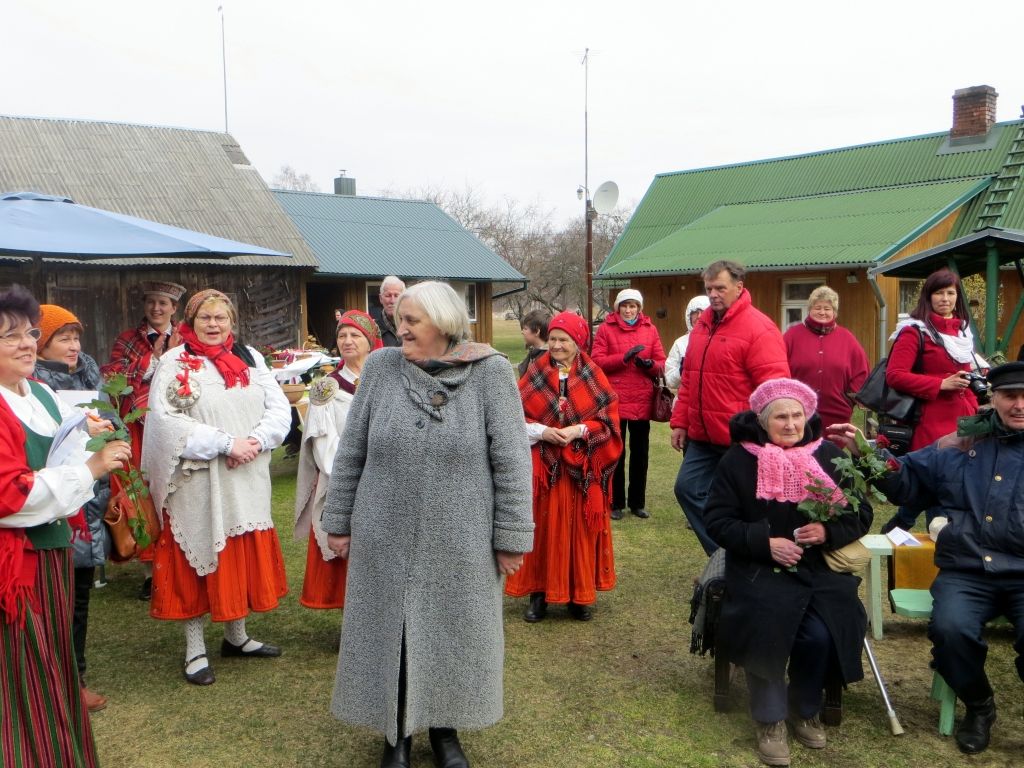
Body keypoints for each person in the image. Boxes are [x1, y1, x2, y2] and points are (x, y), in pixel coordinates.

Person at [321, 280, 533, 768]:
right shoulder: (381, 368)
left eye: (412, 320)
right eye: (399, 320)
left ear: (443, 322)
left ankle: (445, 731)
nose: (401, 329)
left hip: (461, 536)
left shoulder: (490, 372)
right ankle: (395, 733)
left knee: (453, 632)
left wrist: (511, 536)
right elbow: (351, 450)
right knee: (390, 633)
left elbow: (511, 462)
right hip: (383, 531)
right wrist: (340, 519)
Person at [829, 361, 1024, 755]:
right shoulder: (959, 444)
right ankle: (980, 706)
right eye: (1009, 395)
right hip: (967, 570)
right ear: (993, 399)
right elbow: (906, 480)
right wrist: (866, 453)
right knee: (950, 631)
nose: (1018, 404)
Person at [704, 379, 871, 767]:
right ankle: (770, 720)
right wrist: (765, 543)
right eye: (781, 417)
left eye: (797, 415)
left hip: (818, 569)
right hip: (760, 569)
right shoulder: (738, 460)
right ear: (763, 421)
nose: (791, 424)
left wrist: (828, 531)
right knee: (768, 625)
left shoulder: (829, 455)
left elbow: (861, 514)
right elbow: (717, 521)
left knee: (821, 632)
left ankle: (804, 708)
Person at [0, 284, 129, 768]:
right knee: (23, 680)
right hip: (14, 567)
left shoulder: (40, 394)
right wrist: (90, 469)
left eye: (30, 333)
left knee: (53, 670)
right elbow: (9, 497)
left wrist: (89, 442)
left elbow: (58, 456)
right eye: (10, 336)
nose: (26, 344)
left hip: (52, 555)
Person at [141, 289, 291, 686]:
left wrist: (255, 441)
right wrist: (226, 444)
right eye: (205, 318)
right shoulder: (175, 361)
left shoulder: (249, 357)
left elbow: (279, 408)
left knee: (236, 554)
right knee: (197, 556)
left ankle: (236, 637)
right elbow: (166, 423)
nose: (213, 324)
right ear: (191, 322)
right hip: (199, 480)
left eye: (220, 318)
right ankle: (195, 649)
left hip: (245, 476)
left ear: (231, 322)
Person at [506, 311, 621, 622]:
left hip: (581, 470)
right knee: (543, 528)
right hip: (545, 468)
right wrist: (542, 432)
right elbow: (512, 417)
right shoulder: (535, 372)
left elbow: (609, 423)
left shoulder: (593, 374)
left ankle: (577, 595)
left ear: (578, 342)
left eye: (564, 340)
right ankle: (538, 594)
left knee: (578, 529)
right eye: (553, 339)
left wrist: (579, 430)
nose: (556, 345)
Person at [671, 261, 790, 554]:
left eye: (720, 288)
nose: (713, 294)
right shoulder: (702, 326)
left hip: (740, 437)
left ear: (739, 287)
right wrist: (680, 422)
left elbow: (775, 390)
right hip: (702, 436)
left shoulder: (759, 328)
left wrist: (773, 435)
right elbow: (689, 379)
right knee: (687, 489)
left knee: (746, 504)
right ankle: (725, 556)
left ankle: (744, 558)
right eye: (709, 289)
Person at [33, 304, 111, 713]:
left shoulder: (90, 376)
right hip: (52, 504)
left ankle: (75, 679)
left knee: (79, 597)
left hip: (89, 501)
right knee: (49, 599)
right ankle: (46, 682)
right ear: (41, 343)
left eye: (76, 337)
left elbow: (111, 425)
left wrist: (109, 430)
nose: (73, 345)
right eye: (63, 338)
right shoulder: (31, 388)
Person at [101, 279, 186, 599]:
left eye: (163, 303)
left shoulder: (186, 338)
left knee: (174, 489)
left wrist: (173, 356)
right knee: (142, 494)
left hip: (176, 424)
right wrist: (154, 358)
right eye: (151, 302)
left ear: (174, 308)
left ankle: (180, 561)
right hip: (138, 426)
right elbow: (112, 377)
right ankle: (151, 572)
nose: (156, 308)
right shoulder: (128, 340)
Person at [880, 268, 981, 533]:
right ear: (928, 296)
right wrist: (940, 384)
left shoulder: (962, 332)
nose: (945, 299)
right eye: (939, 293)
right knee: (940, 484)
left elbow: (965, 374)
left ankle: (898, 528)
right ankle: (934, 540)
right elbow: (895, 375)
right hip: (931, 421)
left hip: (965, 421)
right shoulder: (915, 331)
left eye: (950, 293)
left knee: (940, 486)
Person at [294, 310, 382, 611]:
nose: (347, 341)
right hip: (342, 481)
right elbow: (323, 443)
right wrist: (354, 473)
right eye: (342, 335)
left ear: (370, 341)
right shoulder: (326, 388)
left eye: (355, 335)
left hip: (385, 479)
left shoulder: (386, 382)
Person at [591, 288, 666, 520]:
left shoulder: (650, 329)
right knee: (616, 453)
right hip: (615, 399)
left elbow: (662, 362)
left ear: (639, 308)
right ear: (618, 308)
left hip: (641, 400)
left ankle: (637, 503)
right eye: (624, 305)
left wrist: (650, 365)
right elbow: (596, 361)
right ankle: (616, 503)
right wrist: (622, 359)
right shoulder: (606, 329)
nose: (628, 310)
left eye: (632, 306)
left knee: (640, 454)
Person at [783, 286, 869, 428]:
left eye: (827, 309)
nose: (822, 312)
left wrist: (850, 399)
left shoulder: (847, 338)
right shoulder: (791, 336)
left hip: (837, 414)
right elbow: (779, 367)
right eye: (817, 308)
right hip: (797, 414)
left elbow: (861, 372)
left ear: (834, 312)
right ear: (810, 309)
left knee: (833, 444)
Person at [665, 295, 710, 395]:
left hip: (712, 399)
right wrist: (681, 372)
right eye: (695, 312)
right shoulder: (680, 343)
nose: (699, 316)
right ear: (689, 316)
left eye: (703, 312)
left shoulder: (719, 340)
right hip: (686, 400)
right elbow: (670, 381)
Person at [369, 275, 406, 347]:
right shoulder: (372, 330)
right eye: (388, 296)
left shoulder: (413, 327)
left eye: (396, 295)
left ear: (403, 299)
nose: (392, 301)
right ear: (380, 298)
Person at [517, 308, 551, 378]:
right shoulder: (534, 355)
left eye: (525, 329)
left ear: (537, 332)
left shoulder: (546, 360)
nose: (522, 332)